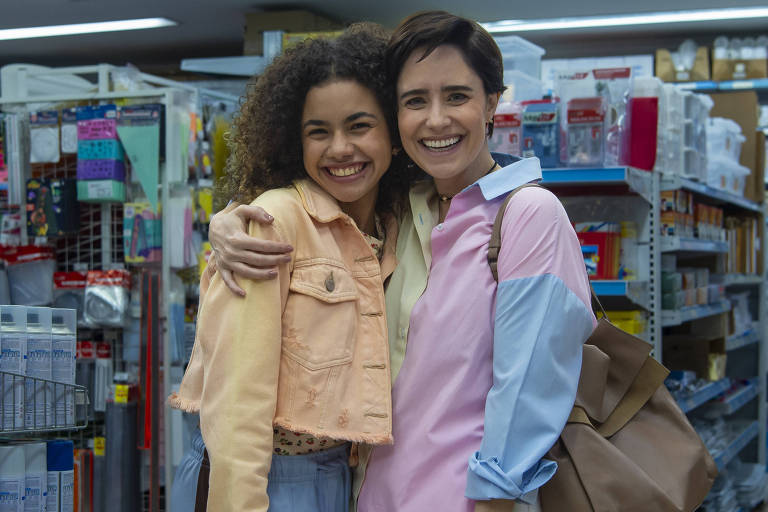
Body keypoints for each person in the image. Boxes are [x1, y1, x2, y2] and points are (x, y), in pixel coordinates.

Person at [206, 11, 596, 512]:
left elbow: (528, 394)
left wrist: (495, 502)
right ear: (398, 119)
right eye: (416, 101)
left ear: (492, 102)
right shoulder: (401, 215)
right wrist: (226, 224)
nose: (436, 119)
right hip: (365, 496)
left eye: (457, 96)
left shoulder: (528, 217)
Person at [168, 23, 417, 512]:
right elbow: (238, 399)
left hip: (346, 473)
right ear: (292, 141)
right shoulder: (273, 221)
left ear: (394, 134)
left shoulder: (400, 224)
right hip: (263, 477)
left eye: (360, 126)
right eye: (318, 132)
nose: (340, 148)